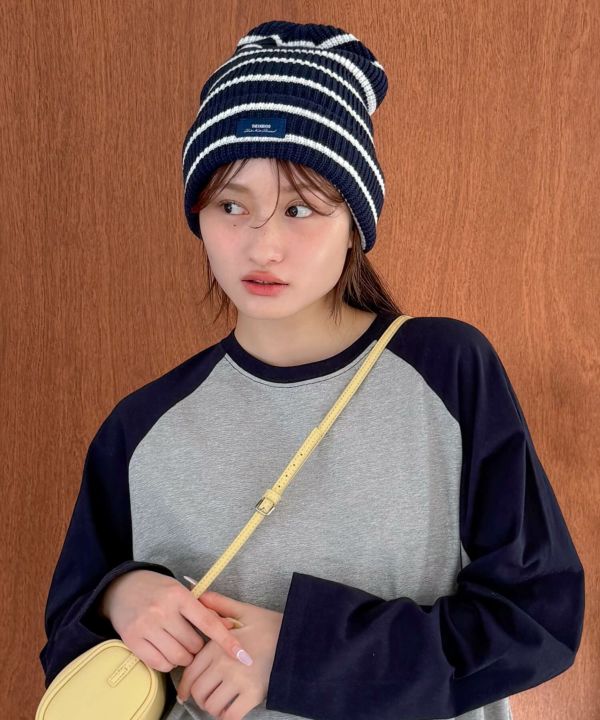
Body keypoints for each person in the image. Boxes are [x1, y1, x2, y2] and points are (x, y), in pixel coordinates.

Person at [39, 19, 585, 720]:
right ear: (199, 216)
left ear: (355, 221)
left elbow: (535, 621)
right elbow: (70, 652)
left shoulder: (447, 372)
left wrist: (300, 652)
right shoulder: (141, 427)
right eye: (231, 205)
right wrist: (120, 596)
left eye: (300, 208)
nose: (263, 246)